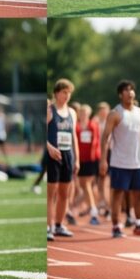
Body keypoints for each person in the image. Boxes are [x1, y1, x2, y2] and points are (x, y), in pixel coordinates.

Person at [100, 80, 140, 238]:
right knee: (118, 195)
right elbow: (105, 138)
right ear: (120, 94)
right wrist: (103, 160)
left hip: (139, 163)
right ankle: (116, 226)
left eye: (131, 89)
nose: (130, 92)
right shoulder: (115, 114)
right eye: (126, 90)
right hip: (120, 163)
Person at [47, 79, 79, 241]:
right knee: (51, 193)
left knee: (64, 193)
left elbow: (74, 137)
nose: (67, 95)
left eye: (69, 93)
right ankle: (48, 226)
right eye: (64, 92)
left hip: (68, 155)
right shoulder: (50, 110)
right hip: (53, 156)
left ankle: (59, 224)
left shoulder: (72, 112)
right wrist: (49, 147)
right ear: (56, 93)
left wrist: (77, 159)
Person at [75, 101, 102, 225]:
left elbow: (96, 141)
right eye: (82, 112)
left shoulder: (93, 125)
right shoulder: (76, 125)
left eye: (86, 113)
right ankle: (91, 208)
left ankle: (93, 210)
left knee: (87, 184)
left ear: (89, 114)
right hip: (80, 159)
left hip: (91, 160)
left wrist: (94, 158)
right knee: (83, 185)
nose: (83, 115)